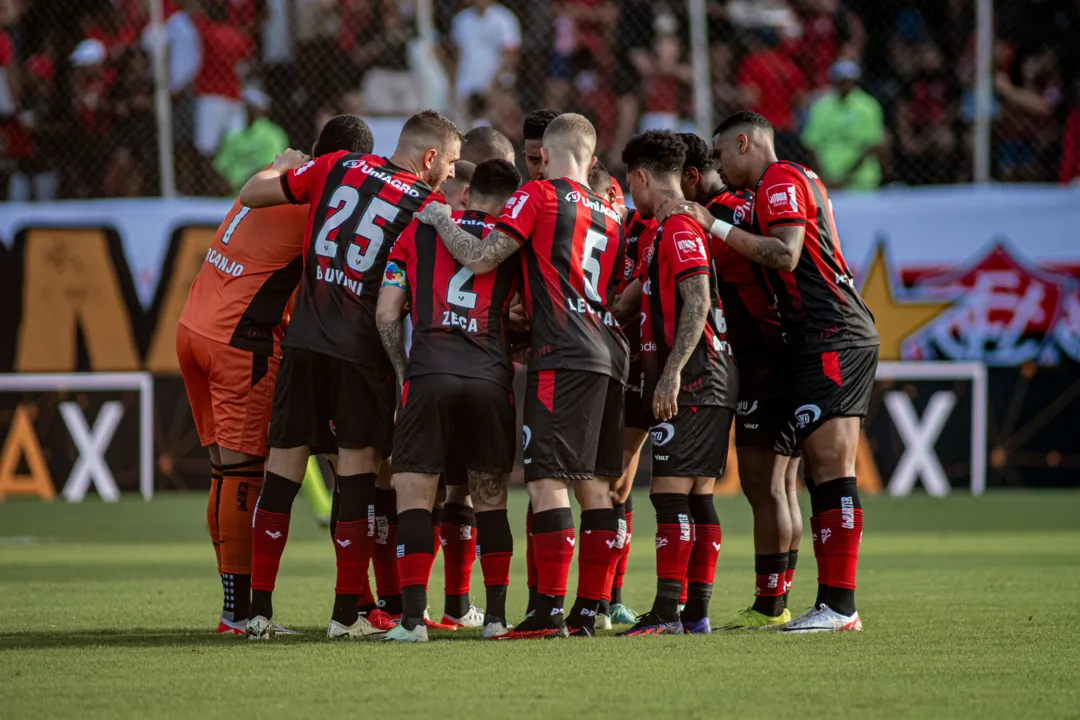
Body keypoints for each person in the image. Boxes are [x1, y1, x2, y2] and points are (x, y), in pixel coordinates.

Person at [237, 109, 462, 641]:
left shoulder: (336, 164)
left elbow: (251, 194)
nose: (452, 175)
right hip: (362, 353)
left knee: (282, 475)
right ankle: (344, 616)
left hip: (303, 342)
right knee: (356, 480)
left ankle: (257, 613)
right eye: (451, 163)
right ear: (429, 158)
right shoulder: (427, 205)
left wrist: (284, 163)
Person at [416, 113, 627, 639]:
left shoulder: (539, 197)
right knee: (596, 488)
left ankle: (546, 613)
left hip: (563, 352)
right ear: (591, 158)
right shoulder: (612, 213)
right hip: (609, 352)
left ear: (548, 155)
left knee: (546, 483)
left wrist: (442, 220)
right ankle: (587, 611)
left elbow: (484, 259)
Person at [676, 111, 879, 632]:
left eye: (722, 153)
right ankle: (830, 603)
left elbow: (786, 255)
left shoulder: (781, 179)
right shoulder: (794, 179)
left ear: (745, 143)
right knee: (815, 472)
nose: (719, 164)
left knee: (832, 470)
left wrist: (712, 223)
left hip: (834, 331)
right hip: (820, 337)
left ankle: (840, 606)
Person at [176, 115, 375, 637]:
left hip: (193, 327)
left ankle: (232, 608)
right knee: (244, 475)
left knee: (224, 473)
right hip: (239, 340)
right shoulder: (321, 200)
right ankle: (240, 615)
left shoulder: (274, 175)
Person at [375, 158, 523, 642]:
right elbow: (528, 314)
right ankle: (497, 620)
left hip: (430, 372)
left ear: (466, 193)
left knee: (415, 497)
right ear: (511, 201)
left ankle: (414, 621)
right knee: (490, 502)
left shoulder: (416, 231)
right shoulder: (512, 244)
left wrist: (405, 376)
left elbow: (386, 314)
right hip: (490, 379)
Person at [677, 132, 804, 630]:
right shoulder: (745, 204)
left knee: (765, 485)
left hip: (763, 363)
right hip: (787, 353)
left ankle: (770, 607)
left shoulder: (718, 216)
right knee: (784, 485)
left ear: (690, 179)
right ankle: (776, 601)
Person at [614, 131, 735, 636]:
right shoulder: (667, 229)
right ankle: (694, 615)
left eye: (630, 183)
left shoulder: (679, 226)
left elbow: (698, 298)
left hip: (696, 376)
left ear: (642, 177)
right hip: (707, 374)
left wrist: (670, 373)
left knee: (668, 493)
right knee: (696, 495)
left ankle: (668, 613)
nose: (630, 195)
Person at [587, 160, 641, 630]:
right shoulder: (585, 236)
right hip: (594, 365)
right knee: (595, 483)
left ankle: (610, 597)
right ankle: (598, 599)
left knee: (618, 484)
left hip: (629, 368)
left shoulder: (632, 234)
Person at [801, 60, 885, 190]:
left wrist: (844, 178)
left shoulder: (868, 106)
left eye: (849, 81)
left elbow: (871, 145)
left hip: (860, 180)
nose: (845, 85)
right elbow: (811, 145)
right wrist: (823, 176)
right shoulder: (820, 107)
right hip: (825, 179)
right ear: (833, 82)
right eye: (841, 81)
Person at [213, 87, 290, 193]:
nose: (248, 110)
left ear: (262, 109)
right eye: (245, 106)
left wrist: (238, 185)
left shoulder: (274, 135)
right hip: (228, 195)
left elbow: (270, 168)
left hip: (258, 194)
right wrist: (223, 184)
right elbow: (221, 166)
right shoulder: (233, 135)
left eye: (252, 106)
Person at [522, 109, 562, 180]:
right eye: (535, 161)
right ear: (526, 158)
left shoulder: (584, 190)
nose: (542, 170)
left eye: (548, 161)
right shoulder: (520, 191)